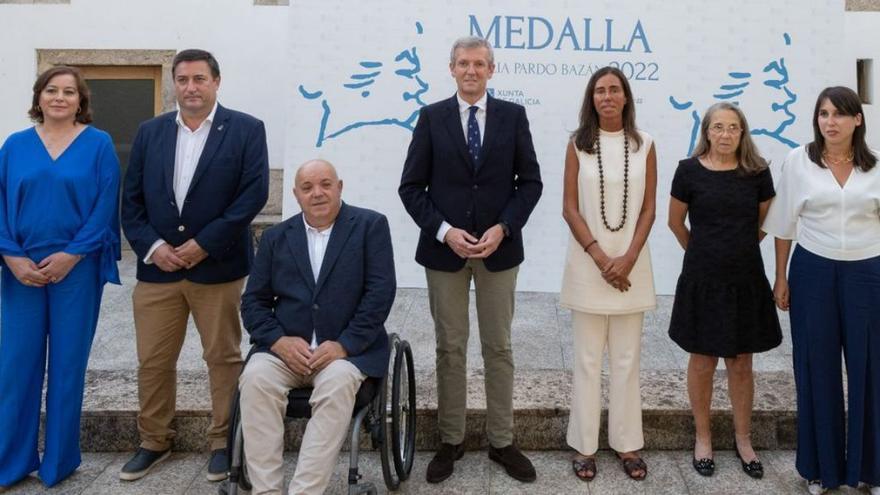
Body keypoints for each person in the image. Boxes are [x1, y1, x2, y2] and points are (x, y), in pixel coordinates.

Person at [120, 49, 269, 482]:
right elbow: (131, 201)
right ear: (173, 84)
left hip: (217, 268)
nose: (190, 88)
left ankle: (222, 443)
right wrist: (153, 247)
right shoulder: (150, 132)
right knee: (152, 360)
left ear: (216, 82)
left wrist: (204, 244)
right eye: (182, 80)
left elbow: (252, 194)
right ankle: (154, 440)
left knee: (222, 357)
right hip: (158, 270)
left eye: (199, 79)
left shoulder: (245, 129)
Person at [398, 36, 543, 483]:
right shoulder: (431, 117)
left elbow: (531, 183)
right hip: (447, 254)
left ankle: (502, 441)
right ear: (451, 68)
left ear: (491, 70)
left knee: (498, 346)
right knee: (450, 347)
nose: (471, 71)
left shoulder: (513, 117)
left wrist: (503, 228)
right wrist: (445, 232)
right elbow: (411, 188)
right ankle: (451, 439)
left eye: (479, 64)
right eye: (463, 63)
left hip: (500, 251)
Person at [238, 159, 396, 495]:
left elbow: (379, 295)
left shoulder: (370, 226)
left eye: (325, 184)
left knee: (337, 384)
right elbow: (253, 303)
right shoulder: (276, 237)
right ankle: (266, 491)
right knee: (254, 378)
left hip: (345, 353)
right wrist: (279, 342)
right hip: (283, 351)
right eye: (307, 188)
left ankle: (304, 492)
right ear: (296, 195)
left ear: (340, 187)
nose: (318, 193)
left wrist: (343, 345)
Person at [0, 66, 120, 489]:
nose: (59, 97)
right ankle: (11, 463)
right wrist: (11, 256)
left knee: (68, 366)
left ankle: (60, 463)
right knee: (16, 367)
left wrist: (72, 255)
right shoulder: (14, 146)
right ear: (39, 96)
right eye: (51, 90)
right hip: (21, 272)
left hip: (76, 270)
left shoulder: (99, 145)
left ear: (80, 101)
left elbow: (106, 205)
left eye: (69, 92)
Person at [763, 86, 880, 495]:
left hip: (868, 273)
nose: (830, 122)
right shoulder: (799, 161)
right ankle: (820, 470)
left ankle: (871, 470)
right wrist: (781, 277)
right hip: (813, 271)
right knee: (817, 368)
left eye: (839, 114)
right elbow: (782, 224)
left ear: (857, 120)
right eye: (823, 114)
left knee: (871, 371)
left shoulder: (876, 167)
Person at [667, 102, 781, 480]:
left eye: (733, 127)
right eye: (719, 127)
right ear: (707, 132)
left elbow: (766, 220)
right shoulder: (688, 171)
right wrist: (702, 252)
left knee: (741, 362)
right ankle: (703, 438)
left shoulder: (758, 172)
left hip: (745, 278)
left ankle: (744, 439)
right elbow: (675, 222)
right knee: (702, 360)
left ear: (742, 132)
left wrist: (739, 247)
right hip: (702, 277)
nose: (726, 134)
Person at [559, 66, 656, 482]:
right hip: (588, 266)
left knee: (627, 359)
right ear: (591, 98)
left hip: (632, 268)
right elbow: (569, 208)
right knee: (585, 359)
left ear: (626, 97)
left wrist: (628, 257)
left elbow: (650, 208)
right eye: (600, 90)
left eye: (615, 89)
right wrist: (601, 258)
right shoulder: (577, 145)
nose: (607, 96)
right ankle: (583, 446)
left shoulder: (646, 144)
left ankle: (627, 443)